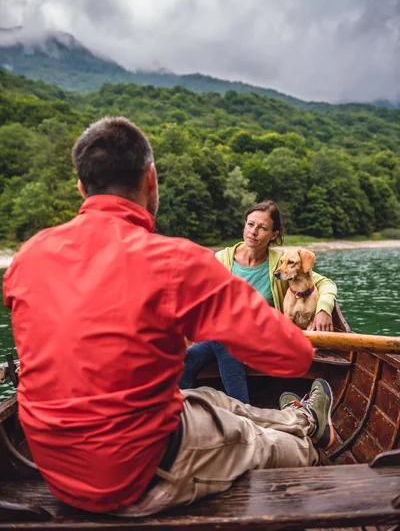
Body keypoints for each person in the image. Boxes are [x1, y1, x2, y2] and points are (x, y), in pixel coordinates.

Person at [3, 116, 334, 518]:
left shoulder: (28, 256)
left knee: (206, 398)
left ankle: (299, 415)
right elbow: (294, 356)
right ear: (152, 180)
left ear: (80, 187)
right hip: (135, 477)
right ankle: (311, 437)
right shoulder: (176, 261)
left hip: (53, 469)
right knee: (252, 439)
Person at [179, 200, 337, 402]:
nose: (253, 231)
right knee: (189, 358)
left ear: (274, 235)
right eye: (250, 224)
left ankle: (241, 414)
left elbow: (326, 283)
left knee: (224, 342)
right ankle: (185, 411)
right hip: (222, 335)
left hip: (260, 338)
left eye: (262, 228)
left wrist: (323, 309)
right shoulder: (221, 259)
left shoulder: (282, 264)